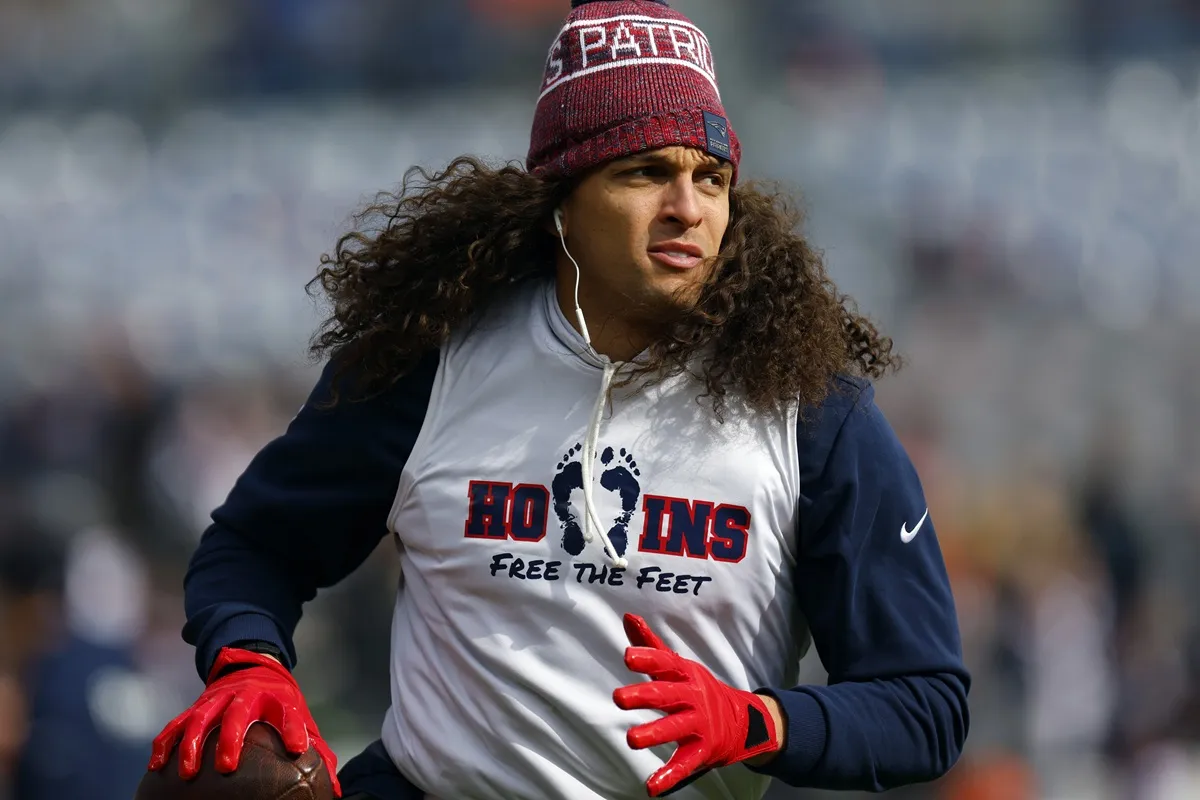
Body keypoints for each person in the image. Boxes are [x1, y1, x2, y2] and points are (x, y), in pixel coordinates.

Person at [148, 0, 970, 797]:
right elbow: (254, 547)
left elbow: (925, 705)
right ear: (563, 197)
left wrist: (758, 723)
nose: (688, 207)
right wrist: (248, 661)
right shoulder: (434, 360)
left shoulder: (811, 412)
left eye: (711, 177)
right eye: (645, 171)